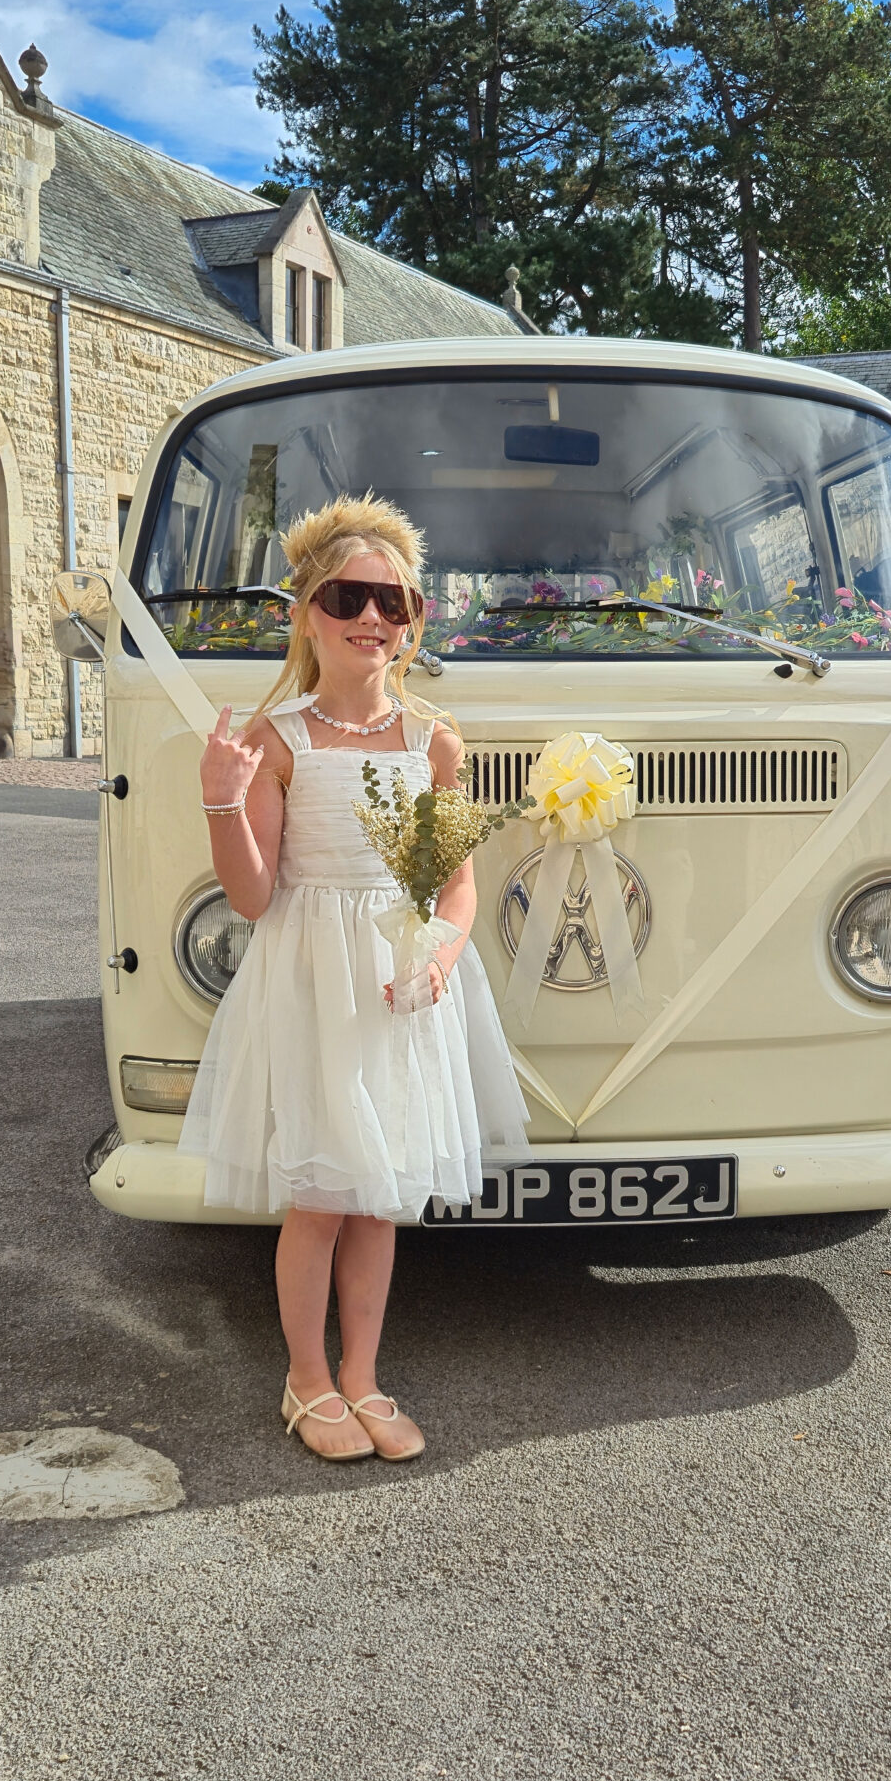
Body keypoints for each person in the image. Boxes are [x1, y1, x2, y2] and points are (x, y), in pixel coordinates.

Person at [178, 494, 529, 1462]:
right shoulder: (281, 739)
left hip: (396, 987)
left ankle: (364, 1374)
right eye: (347, 596)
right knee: (322, 1193)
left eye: (394, 599)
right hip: (312, 987)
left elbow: (454, 886)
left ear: (415, 616)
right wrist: (220, 800)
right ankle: (306, 1377)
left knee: (380, 1191)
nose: (372, 617)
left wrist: (443, 955)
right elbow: (253, 895)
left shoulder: (434, 742)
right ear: (306, 612)